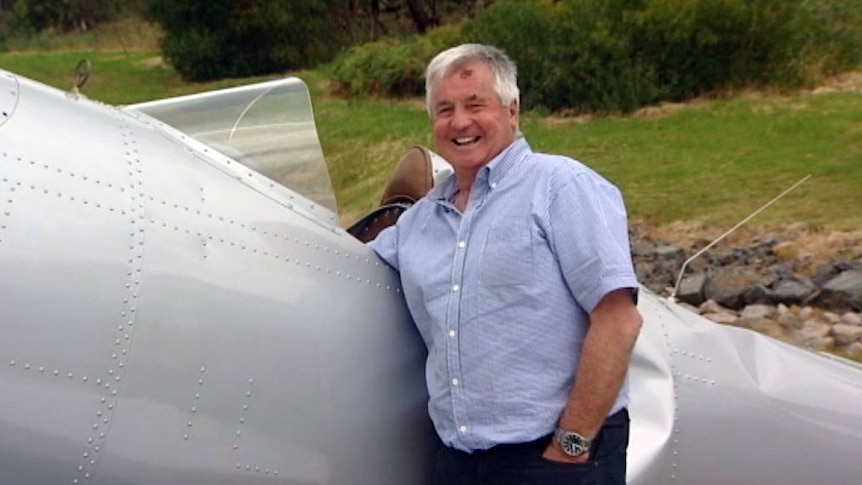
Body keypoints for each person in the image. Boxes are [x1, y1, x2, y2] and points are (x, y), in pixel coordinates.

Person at [369, 43, 643, 485]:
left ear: (512, 111)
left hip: (553, 459)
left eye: (475, 104)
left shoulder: (561, 186)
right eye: (444, 109)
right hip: (458, 462)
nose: (459, 122)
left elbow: (618, 321)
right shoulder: (417, 223)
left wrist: (570, 446)